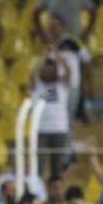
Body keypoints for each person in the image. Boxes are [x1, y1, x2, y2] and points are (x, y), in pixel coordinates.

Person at [31, 52, 71, 180]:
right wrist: (44, 56)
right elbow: (32, 74)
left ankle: (56, 195)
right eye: (45, 69)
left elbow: (68, 70)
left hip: (59, 129)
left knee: (57, 169)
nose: (48, 72)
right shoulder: (36, 86)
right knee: (37, 167)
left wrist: (56, 54)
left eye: (51, 70)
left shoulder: (62, 85)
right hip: (40, 130)